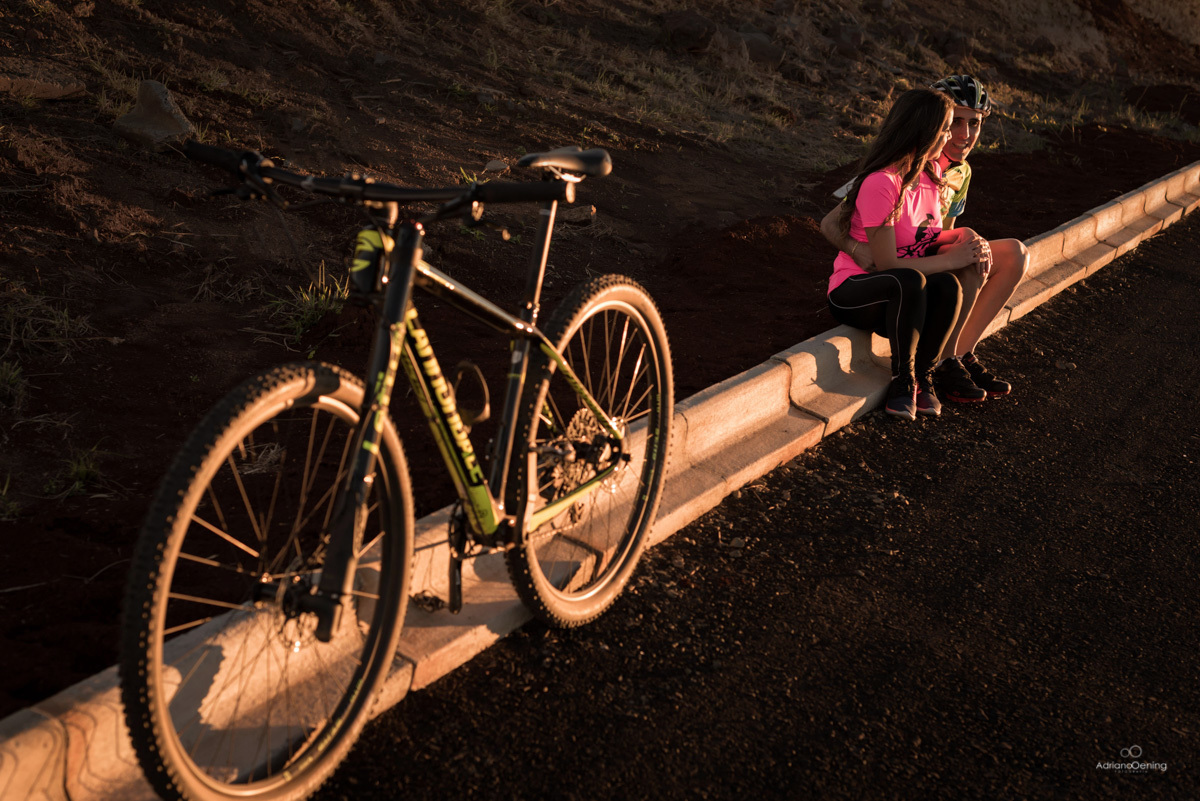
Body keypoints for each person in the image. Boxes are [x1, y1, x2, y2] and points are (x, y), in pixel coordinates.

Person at [821, 74, 1029, 403]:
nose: (964, 135)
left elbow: (933, 232)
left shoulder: (959, 172)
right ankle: (942, 361)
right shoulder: (893, 169)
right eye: (954, 123)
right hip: (886, 267)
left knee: (1011, 253)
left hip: (917, 254)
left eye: (974, 124)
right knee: (959, 261)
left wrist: (964, 237)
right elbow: (832, 221)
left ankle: (958, 354)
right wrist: (856, 249)